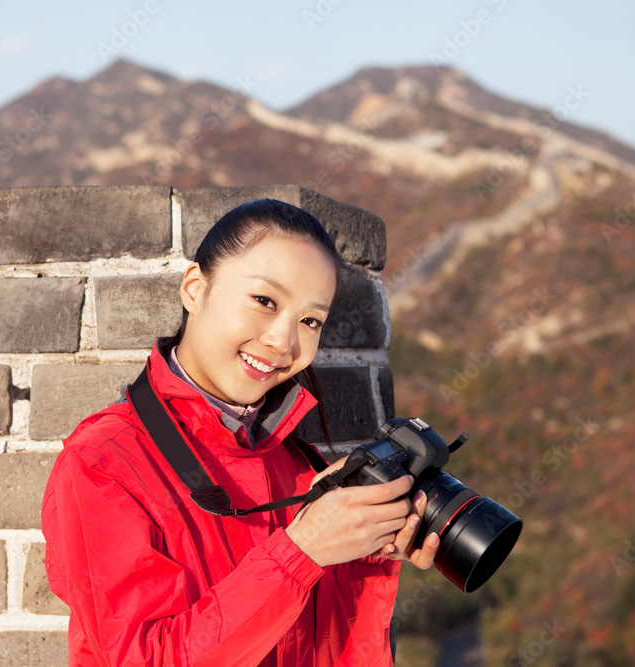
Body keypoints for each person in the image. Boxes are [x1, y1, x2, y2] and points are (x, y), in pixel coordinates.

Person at [41, 199, 441, 666]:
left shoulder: (296, 464)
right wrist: (302, 551)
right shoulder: (103, 463)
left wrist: (366, 550)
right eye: (265, 301)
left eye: (310, 321)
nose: (283, 341)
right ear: (195, 288)